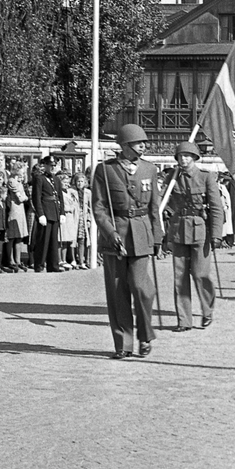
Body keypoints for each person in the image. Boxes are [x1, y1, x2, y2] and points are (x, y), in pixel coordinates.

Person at [92, 124, 163, 358]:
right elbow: (99, 207)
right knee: (117, 291)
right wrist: (110, 233)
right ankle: (123, 344)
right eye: (138, 143)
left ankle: (145, 334)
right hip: (116, 236)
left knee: (142, 288)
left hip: (142, 234)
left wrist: (157, 238)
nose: (143, 146)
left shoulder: (150, 169)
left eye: (143, 143)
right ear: (124, 145)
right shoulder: (105, 170)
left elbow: (154, 207)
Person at [160, 141, 222, 331]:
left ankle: (207, 310)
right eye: (180, 156)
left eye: (187, 156)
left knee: (201, 274)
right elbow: (161, 200)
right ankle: (184, 321)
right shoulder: (172, 177)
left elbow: (216, 207)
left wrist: (217, 234)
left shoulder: (205, 177)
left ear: (195, 158)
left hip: (200, 231)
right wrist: (165, 209)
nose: (183, 159)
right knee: (180, 278)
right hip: (178, 230)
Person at [29, 155, 65, 273]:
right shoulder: (39, 179)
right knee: (43, 241)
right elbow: (36, 198)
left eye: (54, 165)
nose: (53, 167)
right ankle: (39, 265)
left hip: (54, 211)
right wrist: (40, 214)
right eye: (50, 165)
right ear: (45, 165)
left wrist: (62, 213)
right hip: (45, 212)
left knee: (54, 241)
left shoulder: (57, 179)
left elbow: (60, 197)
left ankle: (53, 265)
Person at [5, 160, 30, 270]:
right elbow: (20, 198)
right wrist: (25, 197)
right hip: (14, 209)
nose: (23, 174)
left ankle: (18, 260)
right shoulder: (12, 181)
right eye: (22, 171)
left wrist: (24, 197)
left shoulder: (19, 182)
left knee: (19, 236)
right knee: (12, 236)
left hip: (20, 210)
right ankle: (11, 260)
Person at [58, 170, 79, 268]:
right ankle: (59, 260)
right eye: (64, 182)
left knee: (67, 240)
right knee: (60, 239)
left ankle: (64, 259)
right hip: (63, 216)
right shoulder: (59, 192)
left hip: (70, 217)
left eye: (67, 182)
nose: (66, 184)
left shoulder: (70, 192)